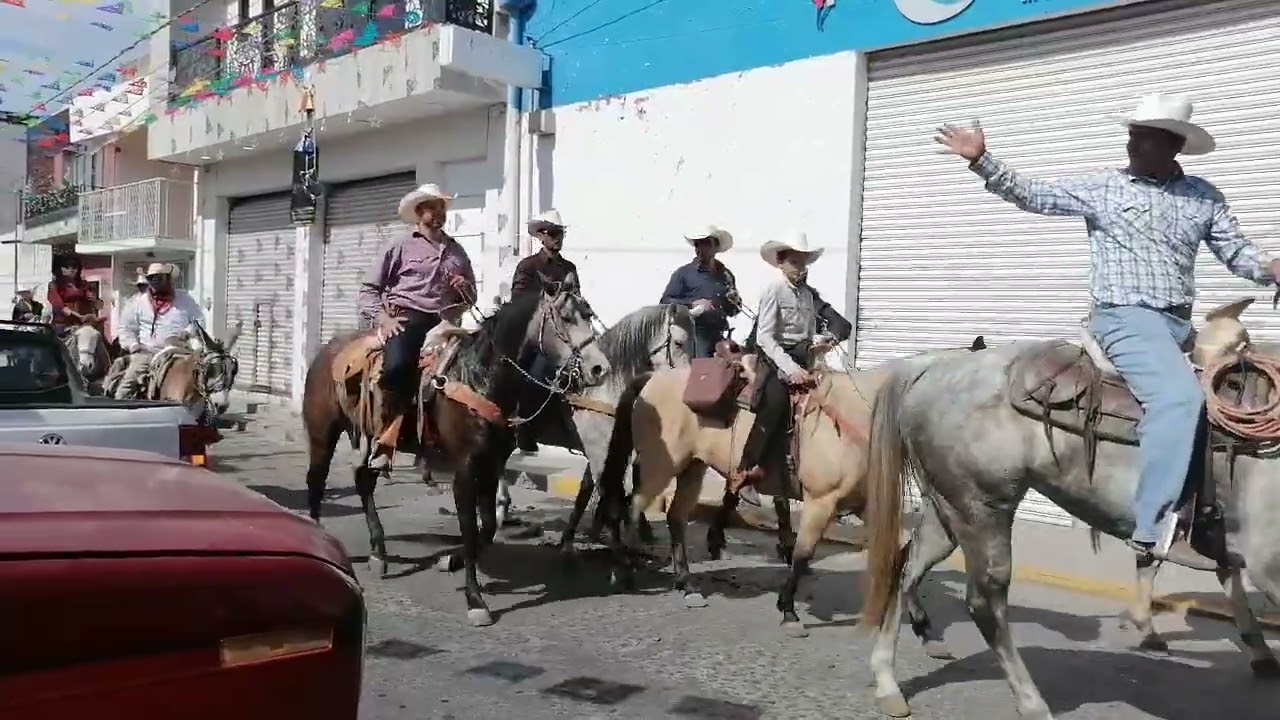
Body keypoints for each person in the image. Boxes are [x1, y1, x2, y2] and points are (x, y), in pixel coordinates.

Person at [935, 93, 1280, 570]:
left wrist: (1271, 268)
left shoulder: (1204, 197)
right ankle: (1154, 527)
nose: (1133, 145)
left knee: (1248, 390)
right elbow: (1034, 195)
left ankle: (1217, 511)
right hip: (1123, 317)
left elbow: (1237, 252)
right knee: (1179, 399)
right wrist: (983, 161)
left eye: (1145, 138)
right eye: (1133, 136)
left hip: (1178, 324)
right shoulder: (1104, 188)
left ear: (1173, 145)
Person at [358, 183, 477, 471]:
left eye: (441, 208)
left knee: (471, 372)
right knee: (398, 367)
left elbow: (472, 299)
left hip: (445, 322)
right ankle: (385, 439)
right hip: (407, 318)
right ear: (419, 212)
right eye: (432, 207)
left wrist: (465, 289)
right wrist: (384, 320)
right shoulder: (400, 245)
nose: (438, 213)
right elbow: (368, 289)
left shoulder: (456, 251)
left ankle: (445, 439)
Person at [732, 231, 849, 507]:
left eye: (803, 263)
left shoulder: (807, 295)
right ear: (781, 263)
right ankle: (745, 470)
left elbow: (808, 334)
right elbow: (765, 338)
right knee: (773, 404)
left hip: (803, 359)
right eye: (795, 262)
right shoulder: (774, 290)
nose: (800, 268)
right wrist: (790, 368)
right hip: (775, 359)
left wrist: (820, 345)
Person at [509, 209, 579, 453]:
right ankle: (526, 427)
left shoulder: (569, 268)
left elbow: (575, 300)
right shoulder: (528, 267)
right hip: (535, 336)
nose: (558, 238)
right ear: (541, 235)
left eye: (561, 233)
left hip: (565, 334)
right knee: (538, 374)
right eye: (552, 233)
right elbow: (517, 304)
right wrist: (546, 301)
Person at [114, 263, 206, 400]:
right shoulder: (138, 302)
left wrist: (187, 332)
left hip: (179, 351)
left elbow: (199, 321)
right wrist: (133, 345)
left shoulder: (185, 300)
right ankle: (118, 408)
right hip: (148, 352)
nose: (156, 282)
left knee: (204, 377)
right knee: (129, 383)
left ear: (168, 279)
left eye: (160, 278)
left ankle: (209, 410)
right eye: (152, 278)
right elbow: (125, 328)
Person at [660, 225, 740, 358]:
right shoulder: (683, 274)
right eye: (698, 245)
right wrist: (693, 304)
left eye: (706, 244)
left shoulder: (725, 275)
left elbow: (733, 310)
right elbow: (665, 302)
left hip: (720, 334)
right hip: (694, 333)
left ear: (715, 247)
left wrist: (734, 301)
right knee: (702, 368)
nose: (700, 249)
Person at [46, 253, 100, 332]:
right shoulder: (54, 285)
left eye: (74, 267)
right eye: (66, 267)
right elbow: (61, 307)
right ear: (59, 269)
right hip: (63, 323)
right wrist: (80, 316)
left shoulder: (83, 284)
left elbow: (94, 303)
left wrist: (94, 301)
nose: (71, 270)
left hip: (82, 322)